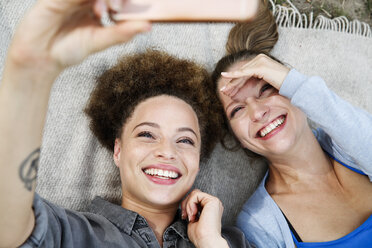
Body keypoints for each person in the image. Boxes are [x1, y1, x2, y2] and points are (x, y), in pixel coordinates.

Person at [0, 1, 251, 247]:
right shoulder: (70, 233)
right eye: (147, 134)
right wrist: (29, 72)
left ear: (198, 159)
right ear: (118, 150)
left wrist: (210, 242)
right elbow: (9, 227)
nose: (167, 151)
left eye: (185, 140)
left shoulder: (230, 240)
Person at [212, 1, 372, 247]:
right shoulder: (259, 222)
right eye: (237, 109)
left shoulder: (350, 141)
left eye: (267, 89)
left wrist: (293, 83)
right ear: (238, 139)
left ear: (295, 90)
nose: (257, 111)